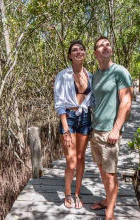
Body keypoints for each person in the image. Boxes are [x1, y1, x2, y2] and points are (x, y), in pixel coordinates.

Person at [90, 36, 132, 220]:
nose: (105, 46)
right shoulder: (96, 75)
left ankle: (110, 215)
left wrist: (116, 129)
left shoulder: (120, 71)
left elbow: (126, 101)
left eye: (108, 44)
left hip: (109, 132)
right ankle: (108, 199)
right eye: (101, 45)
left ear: (111, 50)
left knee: (110, 174)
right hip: (95, 130)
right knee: (102, 170)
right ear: (96, 54)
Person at [53, 40, 92, 209]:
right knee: (71, 160)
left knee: (81, 157)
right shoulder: (63, 75)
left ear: (85, 53)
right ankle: (67, 193)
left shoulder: (90, 76)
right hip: (68, 117)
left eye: (81, 49)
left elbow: (94, 100)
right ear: (70, 55)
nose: (78, 52)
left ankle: (77, 194)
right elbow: (59, 103)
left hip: (84, 117)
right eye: (74, 50)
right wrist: (66, 129)